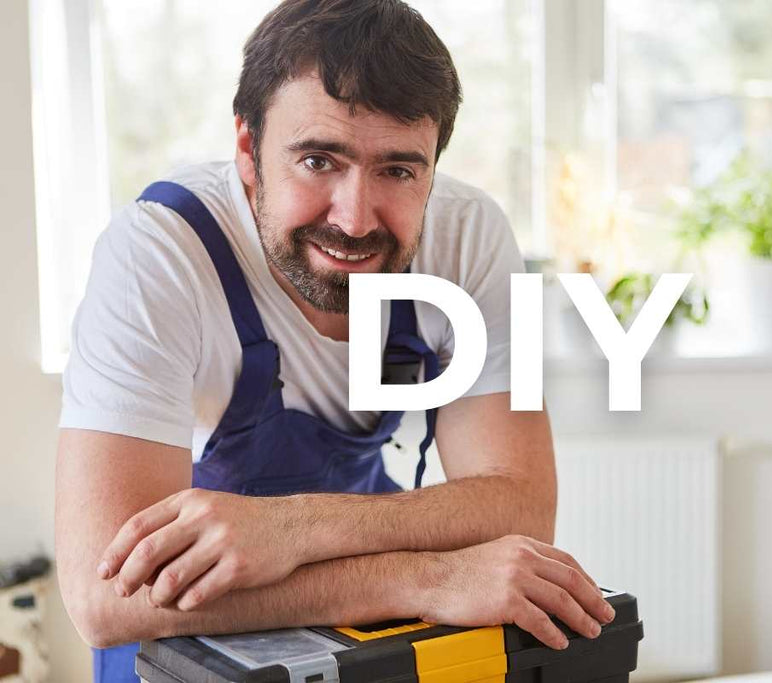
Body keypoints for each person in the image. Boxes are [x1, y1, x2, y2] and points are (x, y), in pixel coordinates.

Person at [54, 1, 613, 682]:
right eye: (319, 160)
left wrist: (290, 530)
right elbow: (106, 595)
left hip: (352, 647)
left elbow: (523, 503)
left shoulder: (473, 238)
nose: (353, 219)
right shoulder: (156, 254)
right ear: (248, 150)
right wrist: (423, 578)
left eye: (399, 171)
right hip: (178, 646)